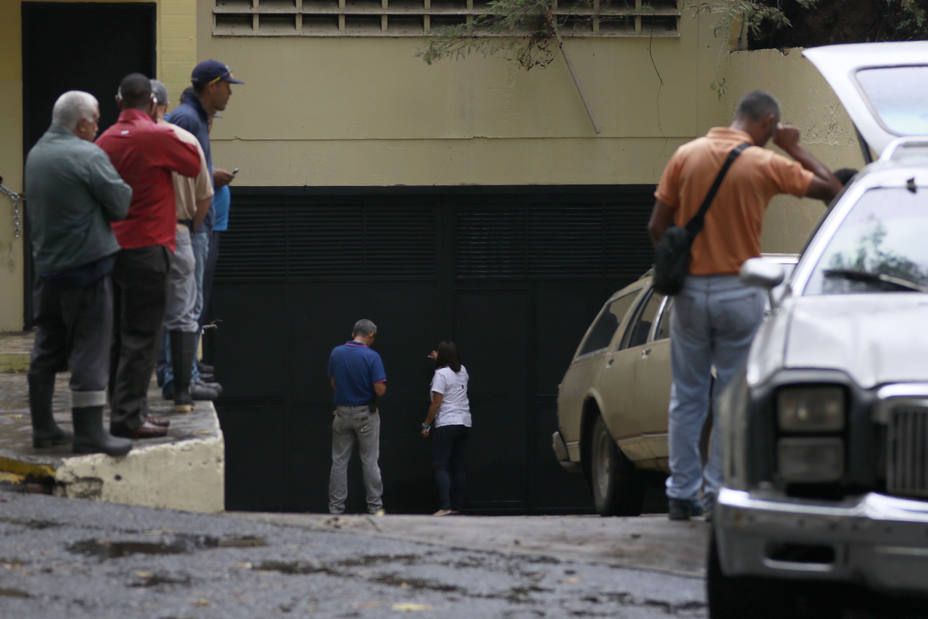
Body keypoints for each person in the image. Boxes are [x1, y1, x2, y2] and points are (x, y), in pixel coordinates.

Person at [647, 90, 841, 521]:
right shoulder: (765, 163)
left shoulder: (686, 155)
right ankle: (718, 492)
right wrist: (794, 148)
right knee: (732, 399)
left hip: (691, 293)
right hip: (741, 289)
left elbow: (657, 225)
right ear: (768, 122)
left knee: (688, 396)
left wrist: (679, 264)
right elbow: (833, 190)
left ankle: (681, 492)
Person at [24, 90, 133, 456]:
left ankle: (43, 428)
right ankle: (89, 432)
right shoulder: (87, 154)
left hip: (47, 270)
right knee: (91, 347)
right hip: (87, 268)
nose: (98, 125)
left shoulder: (36, 154)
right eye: (96, 119)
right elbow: (120, 204)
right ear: (82, 122)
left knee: (46, 346)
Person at [96, 73, 202, 440]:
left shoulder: (104, 138)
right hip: (148, 246)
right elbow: (192, 163)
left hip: (112, 247)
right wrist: (161, 125)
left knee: (117, 335)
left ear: (119, 102)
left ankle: (123, 407)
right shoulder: (157, 136)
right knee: (143, 335)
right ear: (153, 104)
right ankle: (130, 416)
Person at [168, 60, 243, 391]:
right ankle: (182, 377)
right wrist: (194, 224)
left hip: (198, 226)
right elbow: (182, 175)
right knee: (187, 304)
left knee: (194, 302)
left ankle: (188, 373)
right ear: (213, 85)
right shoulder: (187, 119)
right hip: (192, 228)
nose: (230, 93)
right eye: (228, 85)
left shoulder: (193, 118)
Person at [149, 79, 213, 412]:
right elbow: (205, 194)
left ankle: (133, 395)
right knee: (183, 313)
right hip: (180, 231)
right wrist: (190, 228)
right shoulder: (185, 138)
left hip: (140, 236)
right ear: (162, 105)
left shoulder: (121, 141)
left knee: (141, 313)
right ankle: (182, 393)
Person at [327, 319, 387, 515]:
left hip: (342, 412)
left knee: (339, 461)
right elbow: (379, 389)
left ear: (354, 333)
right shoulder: (372, 356)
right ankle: (375, 507)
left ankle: (336, 508)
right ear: (370, 335)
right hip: (365, 414)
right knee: (369, 460)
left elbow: (334, 382)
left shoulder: (336, 353)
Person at [420, 342, 472, 516]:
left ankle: (445, 506)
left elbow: (436, 403)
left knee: (440, 465)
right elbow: (451, 370)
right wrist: (439, 359)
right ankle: (457, 506)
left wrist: (427, 424)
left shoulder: (440, 375)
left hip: (446, 423)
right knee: (459, 467)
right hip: (464, 422)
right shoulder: (463, 371)